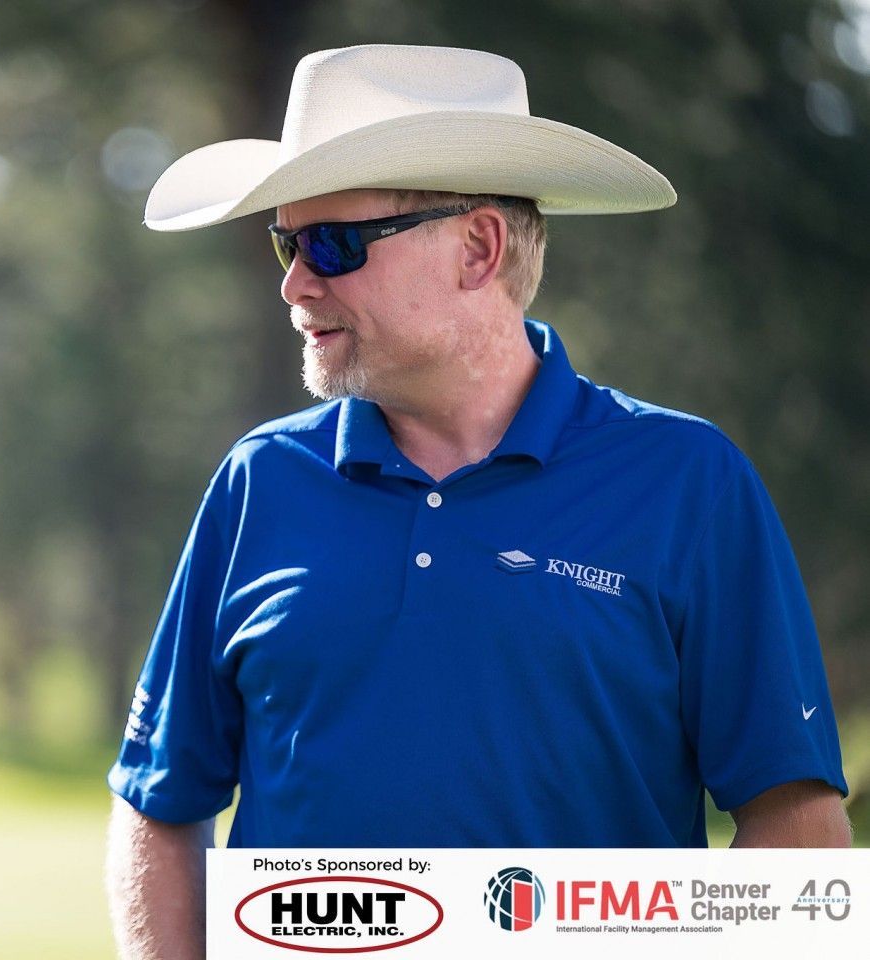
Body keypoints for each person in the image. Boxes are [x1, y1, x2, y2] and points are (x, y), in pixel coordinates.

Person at [105, 44, 851, 958]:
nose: (295, 284)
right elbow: (158, 806)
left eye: (332, 245)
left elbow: (794, 828)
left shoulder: (687, 481)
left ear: (476, 248)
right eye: (285, 244)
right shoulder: (259, 481)